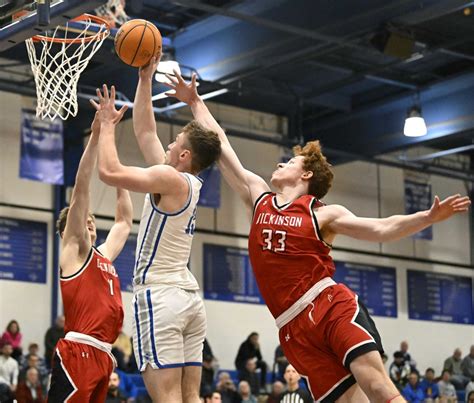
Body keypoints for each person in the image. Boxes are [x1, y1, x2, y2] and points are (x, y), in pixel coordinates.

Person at [164, 69, 472, 403]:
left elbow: (381, 228)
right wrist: (195, 101)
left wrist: (427, 217)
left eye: (290, 161)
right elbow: (221, 145)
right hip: (292, 329)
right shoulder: (259, 198)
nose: (281, 164)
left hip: (328, 308)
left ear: (306, 174)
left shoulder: (323, 213)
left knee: (379, 387)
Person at [92, 58, 221, 403]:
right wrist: (145, 78)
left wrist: (105, 126)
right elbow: (145, 131)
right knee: (191, 397)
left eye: (175, 141)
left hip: (160, 296)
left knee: (167, 399)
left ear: (185, 154)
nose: (167, 144)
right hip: (189, 298)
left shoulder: (168, 178)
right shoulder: (185, 181)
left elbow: (108, 171)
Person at [47, 111, 133, 402]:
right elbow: (81, 190)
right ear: (66, 232)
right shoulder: (73, 250)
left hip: (104, 355)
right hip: (79, 351)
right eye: (84, 220)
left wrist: (117, 169)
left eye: (92, 220)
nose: (89, 222)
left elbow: (123, 222)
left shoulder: (104, 256)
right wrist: (97, 135)